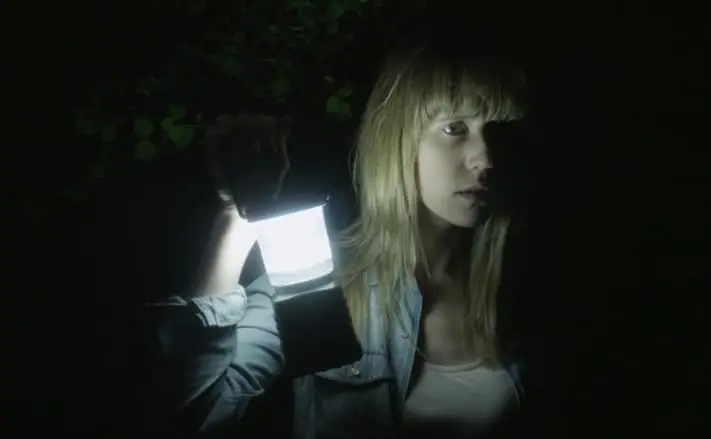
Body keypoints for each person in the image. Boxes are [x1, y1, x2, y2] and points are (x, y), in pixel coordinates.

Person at [146, 43, 529, 439]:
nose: (485, 158)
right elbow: (192, 417)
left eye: (499, 130)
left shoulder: (521, 284)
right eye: (454, 128)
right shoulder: (323, 279)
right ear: (399, 140)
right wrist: (236, 214)